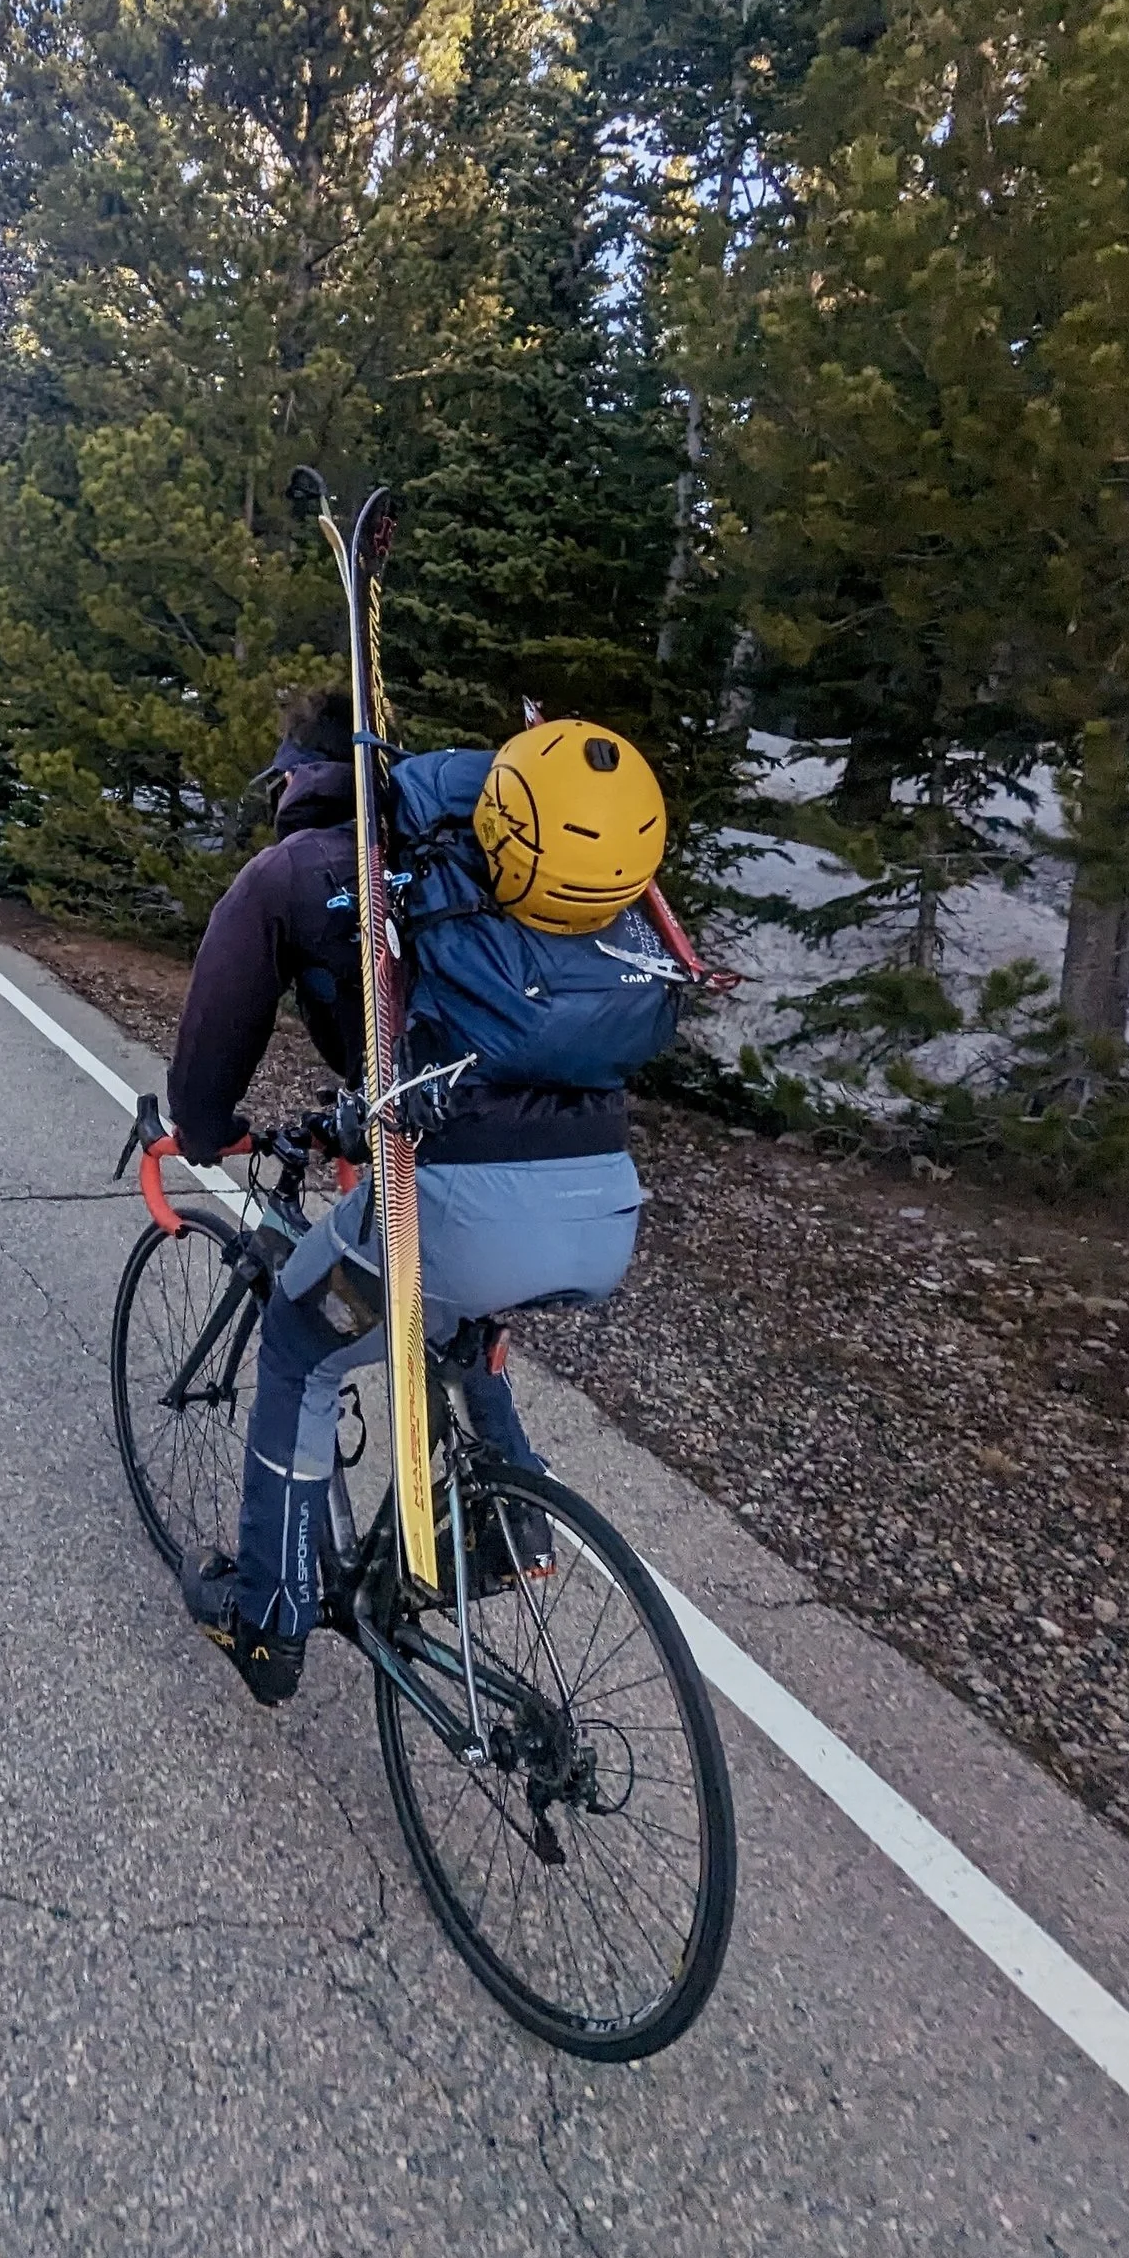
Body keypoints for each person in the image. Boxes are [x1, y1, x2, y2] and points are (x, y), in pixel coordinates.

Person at [166, 689, 677, 1704]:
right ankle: (510, 1523)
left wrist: (201, 1130)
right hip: (604, 1203)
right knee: (449, 1311)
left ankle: (267, 1624)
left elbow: (218, 1026)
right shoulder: (497, 871)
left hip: (452, 1210)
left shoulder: (301, 873)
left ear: (294, 780)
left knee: (300, 1349)